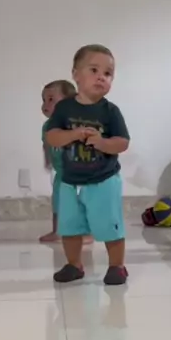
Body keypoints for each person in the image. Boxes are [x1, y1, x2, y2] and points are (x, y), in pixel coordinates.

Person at [44, 44, 130, 285]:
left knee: (110, 225)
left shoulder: (110, 111)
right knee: (70, 227)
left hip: (103, 180)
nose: (101, 77)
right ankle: (74, 264)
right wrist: (73, 134)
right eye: (94, 70)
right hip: (70, 181)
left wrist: (102, 142)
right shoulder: (64, 109)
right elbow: (52, 137)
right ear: (76, 75)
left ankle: (117, 266)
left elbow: (123, 142)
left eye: (108, 73)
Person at [40, 79, 76, 242]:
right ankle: (57, 231)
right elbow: (46, 144)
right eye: (44, 100)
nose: (45, 105)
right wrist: (47, 160)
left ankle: (85, 232)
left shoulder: (73, 125)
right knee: (57, 201)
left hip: (77, 174)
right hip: (60, 173)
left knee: (78, 204)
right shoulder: (47, 127)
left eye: (51, 99)